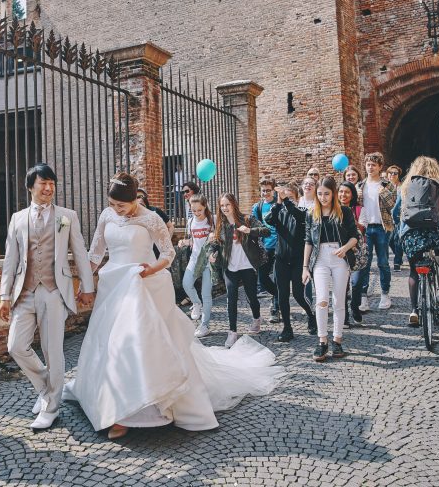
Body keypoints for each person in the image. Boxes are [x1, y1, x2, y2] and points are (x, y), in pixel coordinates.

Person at [64, 173, 284, 439]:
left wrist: (150, 268)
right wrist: (85, 283)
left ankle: (130, 411)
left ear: (135, 199)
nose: (116, 210)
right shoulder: (107, 215)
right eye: (112, 204)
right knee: (108, 343)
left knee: (132, 342)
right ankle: (108, 400)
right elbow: (96, 252)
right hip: (113, 287)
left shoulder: (151, 219)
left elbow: (168, 254)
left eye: (121, 205)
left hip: (142, 284)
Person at [0, 163, 96, 431]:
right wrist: (4, 295)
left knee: (53, 350)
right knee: (15, 346)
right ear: (31, 186)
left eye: (52, 183)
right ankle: (48, 387)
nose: (49, 188)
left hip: (54, 291)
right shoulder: (18, 218)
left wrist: (87, 286)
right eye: (43, 183)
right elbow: (11, 259)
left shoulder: (67, 216)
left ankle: (50, 407)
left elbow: (80, 251)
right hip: (24, 292)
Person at [302, 177, 359, 361]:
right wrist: (305, 267)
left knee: (338, 300)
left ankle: (337, 340)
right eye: (320, 194)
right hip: (320, 259)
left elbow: (354, 236)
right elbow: (308, 241)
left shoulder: (344, 212)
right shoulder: (312, 213)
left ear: (333, 194)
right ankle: (322, 341)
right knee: (322, 300)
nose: (323, 197)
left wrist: (345, 248)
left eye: (327, 193)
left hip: (340, 257)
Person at [393, 156, 439, 327]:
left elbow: (396, 210)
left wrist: (401, 227)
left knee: (413, 271)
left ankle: (414, 310)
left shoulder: (405, 187)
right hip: (433, 230)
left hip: (411, 233)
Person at [209, 193, 271, 348]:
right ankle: (232, 332)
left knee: (251, 296)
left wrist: (249, 230)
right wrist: (212, 252)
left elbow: (266, 231)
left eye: (227, 205)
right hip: (230, 267)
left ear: (234, 205)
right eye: (222, 205)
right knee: (231, 298)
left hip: (247, 265)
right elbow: (216, 242)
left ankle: (257, 318)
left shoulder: (246, 219)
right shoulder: (221, 224)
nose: (224, 208)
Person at [263, 182, 316, 341]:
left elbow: (297, 215)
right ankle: (287, 328)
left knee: (299, 295)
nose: (287, 200)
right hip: (281, 259)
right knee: (282, 295)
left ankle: (310, 314)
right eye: (284, 197)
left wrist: (286, 201)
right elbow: (269, 220)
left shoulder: (304, 211)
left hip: (298, 260)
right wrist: (279, 203)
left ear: (297, 198)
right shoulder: (278, 211)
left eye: (290, 197)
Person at [355, 152, 397, 311]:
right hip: (365, 228)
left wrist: (382, 192)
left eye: (373, 164)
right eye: (368, 164)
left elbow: (392, 204)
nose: (370, 167)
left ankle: (385, 294)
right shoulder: (360, 185)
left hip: (382, 227)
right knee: (364, 262)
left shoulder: (388, 185)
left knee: (383, 262)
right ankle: (363, 296)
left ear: (380, 167)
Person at [179, 194, 216, 337]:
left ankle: (204, 325)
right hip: (194, 259)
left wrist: (214, 238)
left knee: (206, 294)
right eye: (193, 210)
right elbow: (192, 242)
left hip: (208, 262)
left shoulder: (212, 220)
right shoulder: (190, 222)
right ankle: (196, 303)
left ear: (205, 206)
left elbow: (218, 240)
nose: (196, 213)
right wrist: (184, 243)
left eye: (199, 210)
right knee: (186, 284)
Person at [251, 178, 279, 322]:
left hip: (280, 247)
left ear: (273, 190)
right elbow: (255, 227)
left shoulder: (279, 204)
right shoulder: (258, 207)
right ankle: (277, 295)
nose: (266, 193)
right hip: (266, 247)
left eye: (268, 190)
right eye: (263, 190)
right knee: (262, 278)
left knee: (279, 278)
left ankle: (276, 308)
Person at [338, 181, 365, 325]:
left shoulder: (359, 209)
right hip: (340, 251)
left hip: (356, 250)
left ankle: (355, 306)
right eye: (341, 191)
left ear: (352, 194)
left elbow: (362, 228)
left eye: (347, 192)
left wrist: (350, 217)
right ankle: (345, 314)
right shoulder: (333, 209)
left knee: (356, 282)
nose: (343, 194)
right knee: (342, 284)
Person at [386, 165, 404, 270]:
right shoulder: (384, 187)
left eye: (395, 173)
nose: (393, 175)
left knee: (398, 239)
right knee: (390, 240)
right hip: (387, 217)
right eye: (391, 173)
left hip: (399, 216)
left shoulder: (402, 187)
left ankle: (397, 262)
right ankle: (399, 255)